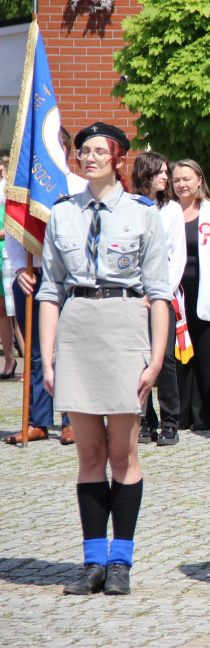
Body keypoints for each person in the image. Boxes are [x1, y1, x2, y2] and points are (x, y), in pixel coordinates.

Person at [36, 122, 171, 595]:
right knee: (89, 453)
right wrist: (48, 360)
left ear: (118, 159)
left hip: (124, 327)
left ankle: (121, 562)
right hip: (78, 331)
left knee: (123, 453)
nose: (88, 157)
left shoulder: (142, 212)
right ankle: (93, 561)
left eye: (98, 151)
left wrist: (155, 361)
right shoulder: (62, 214)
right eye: (82, 151)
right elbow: (50, 291)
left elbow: (159, 293)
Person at [4, 127, 85, 445]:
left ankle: (72, 420)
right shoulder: (24, 187)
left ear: (62, 149)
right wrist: (19, 268)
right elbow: (14, 228)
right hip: (32, 276)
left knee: (69, 351)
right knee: (37, 353)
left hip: (68, 280)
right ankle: (37, 421)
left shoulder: (79, 186)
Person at [170, 159, 210, 430]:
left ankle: (205, 417)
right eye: (177, 180)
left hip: (206, 290)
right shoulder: (167, 212)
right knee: (180, 356)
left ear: (199, 180)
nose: (182, 184)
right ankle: (180, 416)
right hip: (176, 294)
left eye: (187, 178)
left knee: (207, 357)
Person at [133, 152, 186, 446]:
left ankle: (170, 421)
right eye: (161, 172)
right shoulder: (130, 207)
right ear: (145, 174)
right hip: (135, 296)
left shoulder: (172, 211)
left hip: (162, 296)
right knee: (138, 360)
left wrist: (160, 295)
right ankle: (144, 419)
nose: (166, 177)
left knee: (164, 359)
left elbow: (177, 256)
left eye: (167, 172)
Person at [0, 155, 17, 380]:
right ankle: (9, 359)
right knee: (2, 310)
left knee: (15, 308)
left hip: (8, 254)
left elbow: (12, 226)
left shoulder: (9, 191)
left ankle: (25, 357)